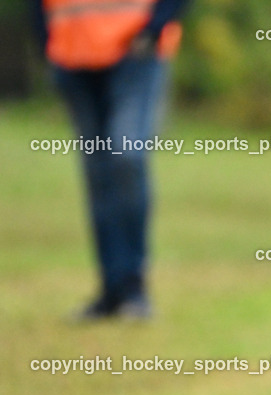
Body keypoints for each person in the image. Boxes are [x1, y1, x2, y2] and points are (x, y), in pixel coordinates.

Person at [33, 0, 190, 320]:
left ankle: (133, 288)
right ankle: (111, 290)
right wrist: (44, 41)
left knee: (126, 158)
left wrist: (154, 27)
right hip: (71, 53)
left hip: (136, 51)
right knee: (98, 172)